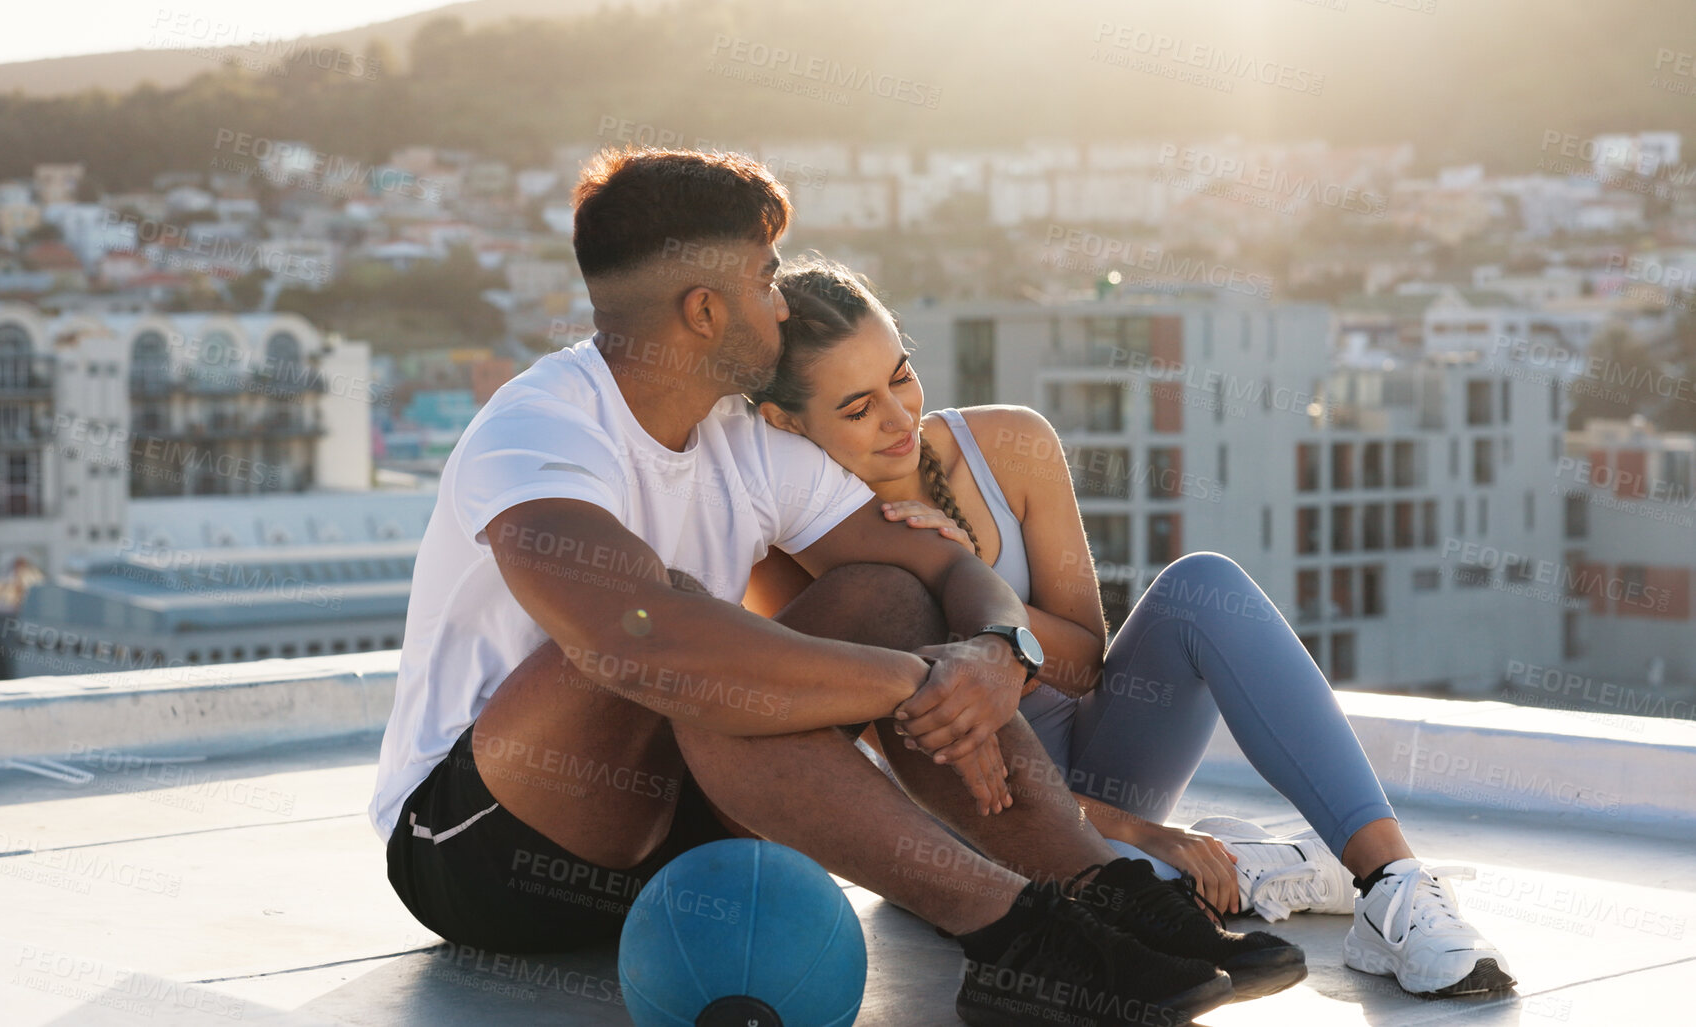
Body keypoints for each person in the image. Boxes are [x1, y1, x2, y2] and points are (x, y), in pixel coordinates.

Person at [369, 149, 1306, 1026]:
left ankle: (1096, 885)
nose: (781, 306)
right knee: (687, 626)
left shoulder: (740, 439)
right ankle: (1015, 935)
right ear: (703, 311)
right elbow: (635, 643)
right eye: (766, 279)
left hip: (679, 833)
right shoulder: (540, 430)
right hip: (482, 850)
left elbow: (939, 566)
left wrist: (989, 651)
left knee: (880, 594)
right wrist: (910, 683)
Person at [743, 255, 1516, 999]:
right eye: (856, 408)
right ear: (781, 420)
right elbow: (899, 760)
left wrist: (965, 591)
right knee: (1126, 903)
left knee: (1203, 584)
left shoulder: (1008, 444)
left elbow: (1083, 662)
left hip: (1095, 763)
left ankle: (1389, 883)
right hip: (962, 822)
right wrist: (1143, 835)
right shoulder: (781, 547)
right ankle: (1264, 863)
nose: (897, 416)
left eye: (900, 375)